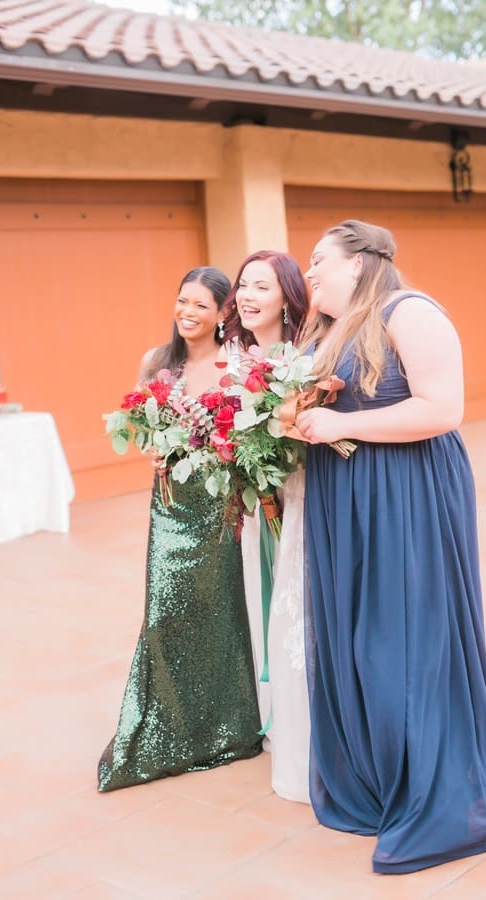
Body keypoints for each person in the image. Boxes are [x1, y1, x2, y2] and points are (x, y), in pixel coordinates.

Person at [295, 220, 486, 871]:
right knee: (355, 636)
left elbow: (444, 407)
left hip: (406, 495)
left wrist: (341, 423)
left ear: (361, 261)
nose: (310, 271)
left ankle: (442, 784)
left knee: (403, 634)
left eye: (320, 260)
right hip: (344, 499)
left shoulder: (410, 310)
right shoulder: (333, 330)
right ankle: (379, 778)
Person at [98, 267, 262, 792]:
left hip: (218, 505)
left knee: (219, 611)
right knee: (165, 614)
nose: (187, 312)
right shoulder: (156, 361)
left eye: (200, 305)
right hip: (170, 504)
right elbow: (139, 423)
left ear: (221, 315)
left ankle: (228, 727)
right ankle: (166, 725)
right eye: (182, 300)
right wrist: (149, 441)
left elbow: (245, 431)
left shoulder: (234, 363)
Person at [221, 251, 311, 802]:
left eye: (262, 286)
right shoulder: (233, 357)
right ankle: (274, 717)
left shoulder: (303, 357)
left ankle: (308, 715)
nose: (248, 296)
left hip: (298, 498)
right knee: (262, 599)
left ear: (288, 296)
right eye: (243, 285)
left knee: (295, 604)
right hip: (256, 505)